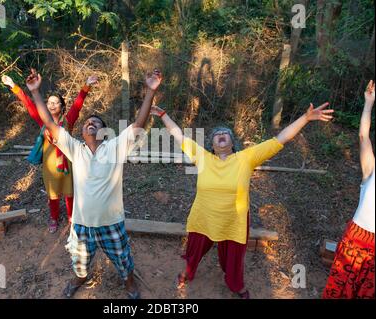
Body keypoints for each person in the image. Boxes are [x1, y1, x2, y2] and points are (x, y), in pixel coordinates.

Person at [151, 101, 334, 299]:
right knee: (193, 252)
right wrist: (163, 115)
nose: (220, 134)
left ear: (232, 142)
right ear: (212, 145)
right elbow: (178, 135)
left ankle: (235, 284)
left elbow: (280, 139)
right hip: (204, 217)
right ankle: (188, 272)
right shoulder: (202, 157)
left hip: (234, 221)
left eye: (225, 133)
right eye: (216, 135)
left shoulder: (246, 158)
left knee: (234, 261)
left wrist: (305, 118)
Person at [25, 68, 163, 299]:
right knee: (79, 261)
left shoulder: (115, 148)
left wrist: (150, 91)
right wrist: (36, 92)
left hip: (112, 222)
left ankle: (129, 282)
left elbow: (139, 123)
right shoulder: (75, 149)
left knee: (122, 259)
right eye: (88, 122)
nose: (91, 123)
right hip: (81, 225)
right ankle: (80, 277)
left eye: (97, 123)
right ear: (81, 130)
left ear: (105, 133)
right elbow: (49, 123)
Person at [1, 72, 98, 233]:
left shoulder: (68, 121)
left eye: (56, 103)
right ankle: (53, 218)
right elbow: (29, 104)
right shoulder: (42, 121)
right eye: (49, 102)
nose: (52, 105)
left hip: (68, 163)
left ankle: (71, 217)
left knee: (70, 192)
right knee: (52, 194)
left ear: (62, 106)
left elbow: (78, 104)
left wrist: (86, 86)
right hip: (49, 166)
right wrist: (13, 86)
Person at [323, 81, 375, 299]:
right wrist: (369, 104)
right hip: (356, 237)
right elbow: (363, 137)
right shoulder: (372, 169)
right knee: (339, 289)